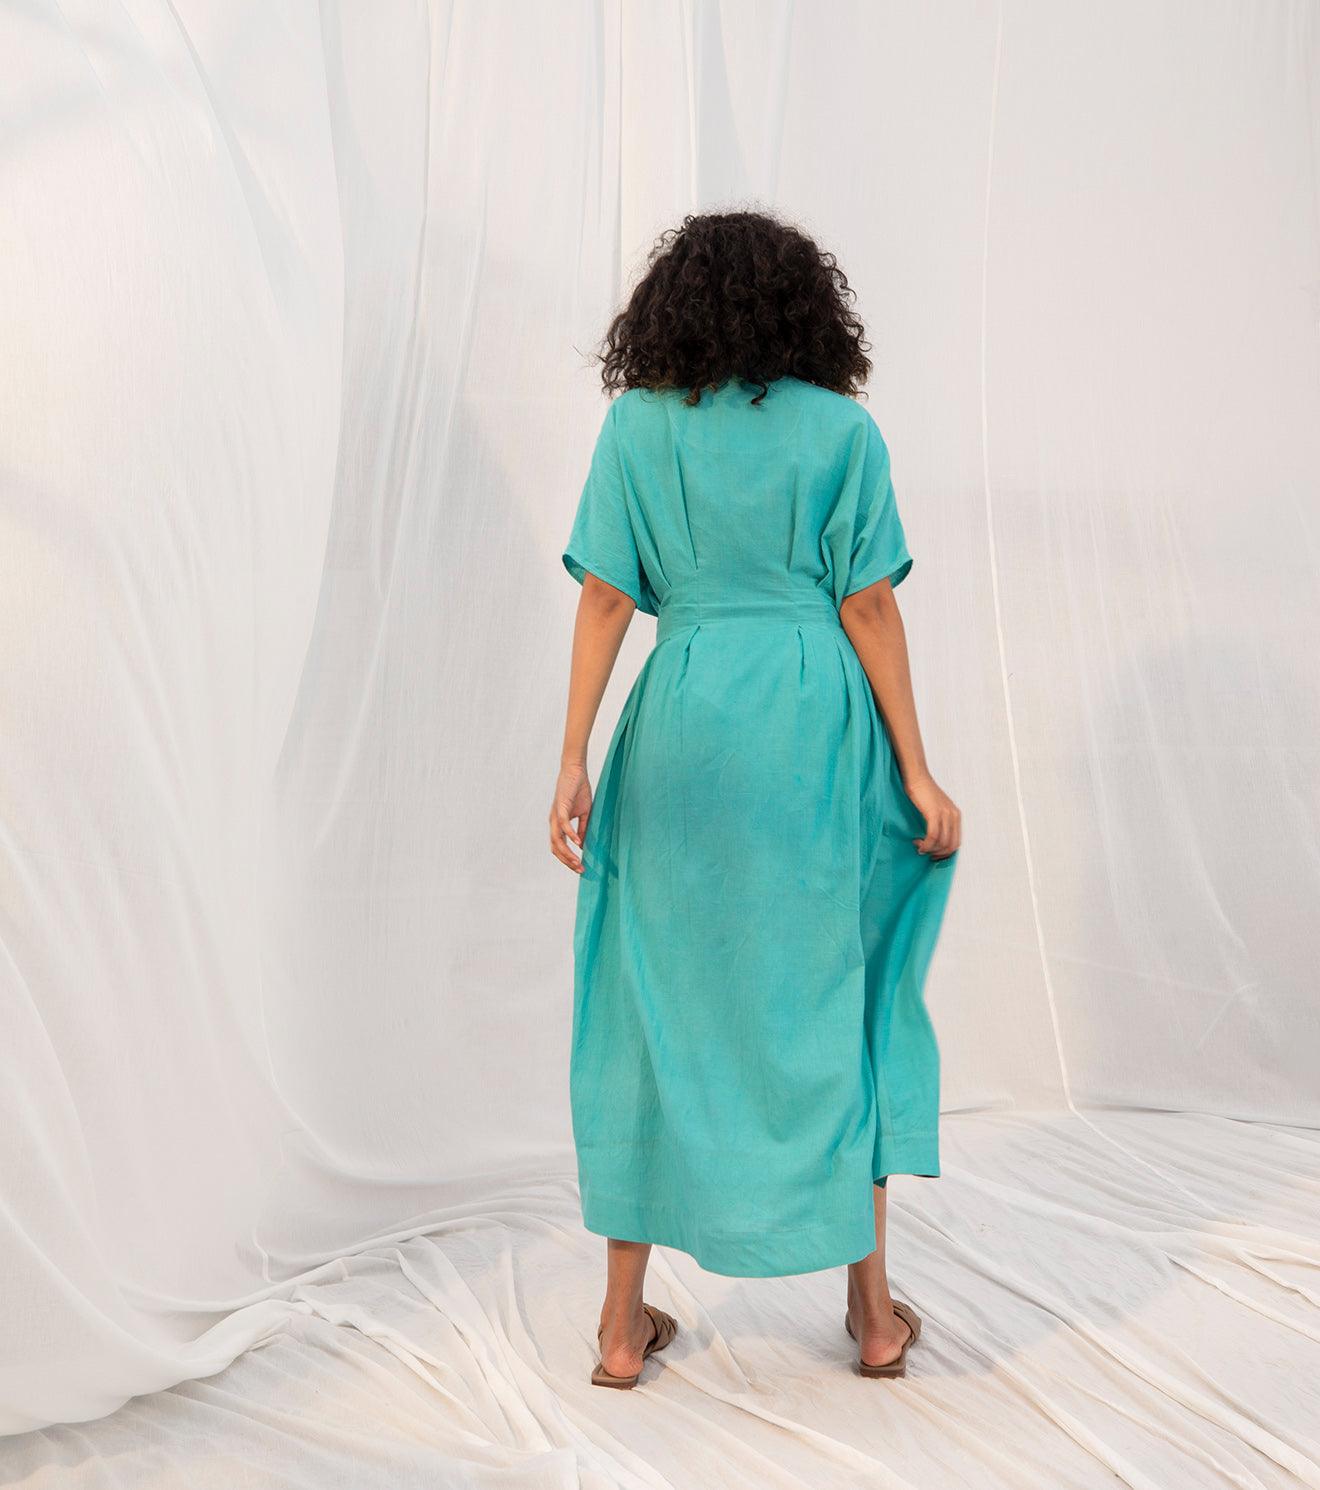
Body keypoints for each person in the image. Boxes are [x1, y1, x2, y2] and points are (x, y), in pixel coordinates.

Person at [549, 209, 961, 1388]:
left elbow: (606, 598)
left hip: (680, 721)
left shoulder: (636, 427)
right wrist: (918, 768)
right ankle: (872, 1316)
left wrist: (573, 755)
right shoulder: (844, 430)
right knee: (842, 985)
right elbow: (868, 604)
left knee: (645, 1000)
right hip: (813, 730)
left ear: (669, 309)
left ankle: (620, 1326)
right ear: (805, 310)